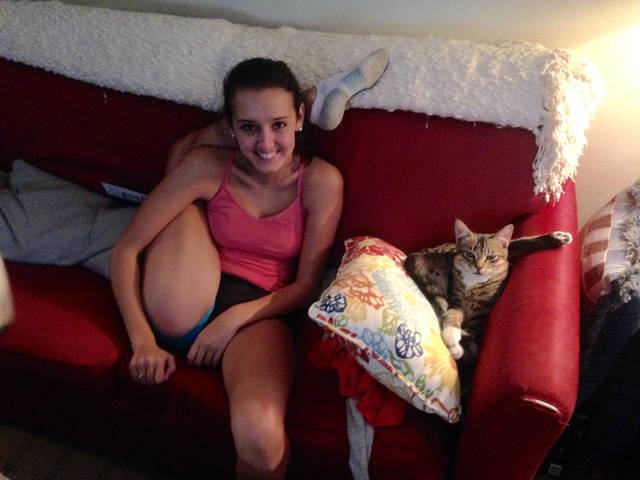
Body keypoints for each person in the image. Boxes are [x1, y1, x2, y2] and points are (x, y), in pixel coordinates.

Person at [109, 50, 388, 479]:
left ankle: (305, 101)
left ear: (299, 119)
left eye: (278, 125)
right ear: (230, 128)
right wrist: (142, 341)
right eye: (249, 127)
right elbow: (126, 250)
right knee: (181, 173)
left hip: (260, 314)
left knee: (260, 438)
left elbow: (306, 287)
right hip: (186, 294)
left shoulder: (320, 181)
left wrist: (233, 320)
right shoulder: (207, 166)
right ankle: (302, 101)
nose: (266, 143)